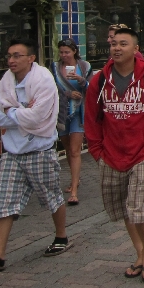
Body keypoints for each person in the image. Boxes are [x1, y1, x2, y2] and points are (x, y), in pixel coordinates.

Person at [84, 28, 144, 282]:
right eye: (114, 44)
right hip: (111, 153)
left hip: (143, 150)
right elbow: (91, 117)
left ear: (136, 49)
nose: (117, 48)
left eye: (123, 44)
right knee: (124, 208)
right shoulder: (99, 80)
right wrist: (96, 150)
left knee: (138, 205)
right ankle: (139, 252)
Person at [0, 38, 70, 272]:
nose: (11, 60)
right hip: (12, 151)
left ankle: (61, 236)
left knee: (51, 196)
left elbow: (37, 117)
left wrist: (12, 111)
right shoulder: (7, 81)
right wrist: (22, 111)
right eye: (9, 56)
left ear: (31, 58)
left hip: (39, 149)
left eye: (17, 56)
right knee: (4, 200)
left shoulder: (43, 80)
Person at [51, 39, 92, 206]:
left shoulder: (85, 66)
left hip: (78, 112)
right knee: (68, 148)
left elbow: (91, 87)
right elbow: (51, 89)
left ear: (74, 51)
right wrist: (68, 94)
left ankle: (74, 190)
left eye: (67, 52)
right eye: (61, 52)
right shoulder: (54, 67)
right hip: (61, 113)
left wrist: (80, 79)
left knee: (75, 150)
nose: (64, 55)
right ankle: (75, 179)